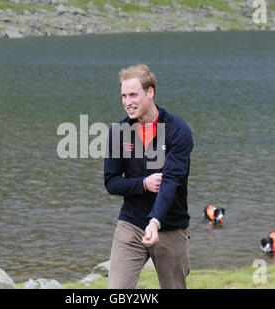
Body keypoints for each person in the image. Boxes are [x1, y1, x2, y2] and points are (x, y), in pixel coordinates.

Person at [104, 64, 194, 289]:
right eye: (123, 96)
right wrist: (143, 184)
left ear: (150, 92)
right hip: (131, 224)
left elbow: (171, 181)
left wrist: (155, 221)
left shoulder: (177, 130)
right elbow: (112, 181)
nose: (127, 102)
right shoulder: (118, 132)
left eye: (133, 94)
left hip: (170, 226)